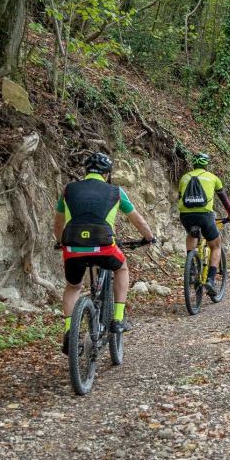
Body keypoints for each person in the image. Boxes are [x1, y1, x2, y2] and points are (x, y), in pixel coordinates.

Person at [54, 152, 155, 355]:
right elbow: (138, 221)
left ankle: (68, 332)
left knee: (73, 286)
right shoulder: (115, 191)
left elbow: (58, 223)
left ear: (86, 171)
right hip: (104, 246)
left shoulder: (68, 190)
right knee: (122, 268)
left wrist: (59, 242)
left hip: (73, 246)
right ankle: (117, 319)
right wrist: (149, 238)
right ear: (107, 174)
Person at [178, 152, 230, 297]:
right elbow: (224, 201)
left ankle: (191, 267)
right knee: (216, 245)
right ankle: (210, 279)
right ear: (206, 164)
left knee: (192, 233)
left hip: (186, 216)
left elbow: (180, 197)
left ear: (194, 164)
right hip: (205, 215)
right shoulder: (213, 178)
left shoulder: (184, 178)